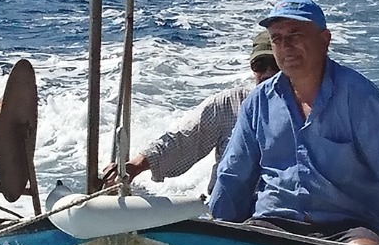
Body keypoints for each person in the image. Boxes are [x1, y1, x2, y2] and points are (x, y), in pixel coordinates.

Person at [209, 0, 379, 245]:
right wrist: (216, 228)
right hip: (274, 223)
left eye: (295, 35)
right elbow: (234, 173)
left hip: (349, 226)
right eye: (277, 39)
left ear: (325, 40)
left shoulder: (359, 96)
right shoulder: (258, 102)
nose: (285, 46)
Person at [103, 30, 279, 191]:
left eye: (276, 65)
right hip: (230, 211)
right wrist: (136, 166)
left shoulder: (297, 114)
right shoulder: (228, 104)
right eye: (260, 65)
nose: (268, 73)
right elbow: (182, 140)